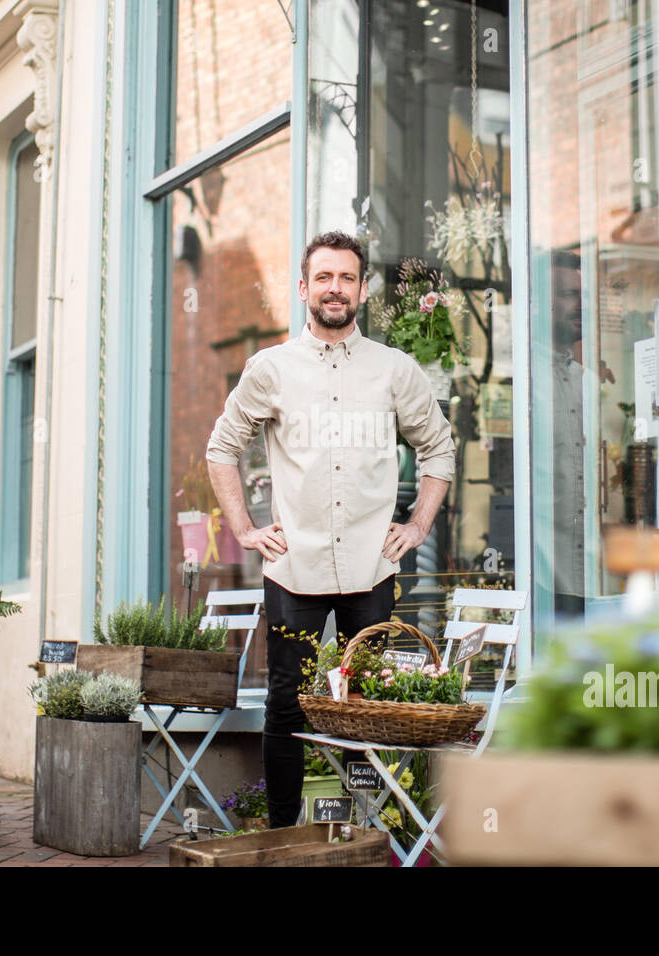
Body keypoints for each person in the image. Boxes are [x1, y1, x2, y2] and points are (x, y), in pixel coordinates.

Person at [206, 231, 455, 828]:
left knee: (373, 705)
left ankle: (375, 830)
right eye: (324, 277)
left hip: (373, 566)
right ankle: (287, 833)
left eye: (346, 277)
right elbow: (222, 448)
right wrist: (243, 528)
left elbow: (439, 449)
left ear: (363, 289)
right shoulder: (270, 369)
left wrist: (418, 524)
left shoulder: (395, 370)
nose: (335, 288)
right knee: (286, 704)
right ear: (303, 288)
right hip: (296, 567)